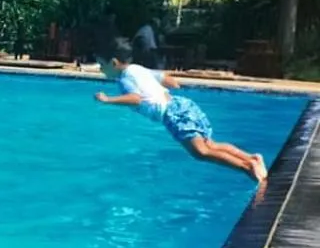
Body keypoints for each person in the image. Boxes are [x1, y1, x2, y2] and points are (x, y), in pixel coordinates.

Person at [94, 39, 267, 184]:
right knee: (211, 145)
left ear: (114, 63)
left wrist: (108, 100)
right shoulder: (137, 69)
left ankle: (248, 168)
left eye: (102, 65)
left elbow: (136, 98)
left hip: (172, 114)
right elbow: (167, 79)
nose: (101, 70)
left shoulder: (123, 80)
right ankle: (252, 158)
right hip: (182, 104)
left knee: (201, 152)